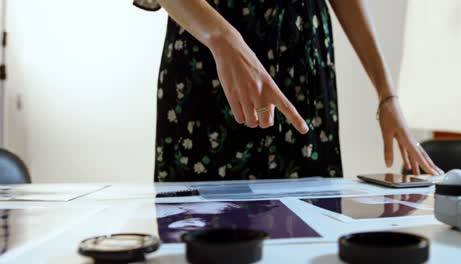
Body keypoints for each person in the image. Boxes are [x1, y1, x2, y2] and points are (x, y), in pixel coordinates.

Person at [133, 0, 443, 182]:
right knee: (196, 231)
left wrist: (387, 96)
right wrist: (222, 38)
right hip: (209, 62)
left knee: (307, 230)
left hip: (301, 72)